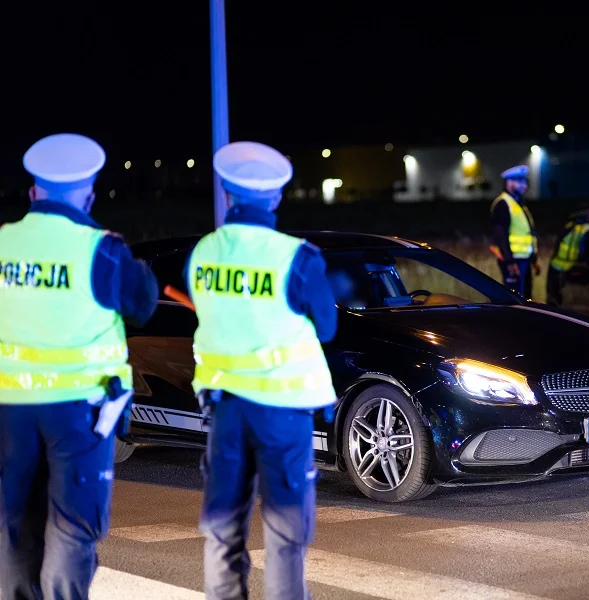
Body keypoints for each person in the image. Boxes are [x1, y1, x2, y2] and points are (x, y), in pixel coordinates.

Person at [0, 133, 159, 599]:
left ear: (33, 193)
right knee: (72, 526)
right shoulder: (101, 251)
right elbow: (143, 302)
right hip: (80, 414)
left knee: (14, 526)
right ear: (88, 195)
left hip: (11, 409)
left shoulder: (4, 244)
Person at [184, 141, 338, 600]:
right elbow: (327, 326)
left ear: (228, 195)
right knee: (286, 532)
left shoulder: (203, 252)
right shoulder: (297, 256)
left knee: (223, 526)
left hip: (226, 409)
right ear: (274, 197)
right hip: (282, 412)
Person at [546, 193, 589, 304]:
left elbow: (558, 243)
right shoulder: (588, 230)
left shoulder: (571, 224)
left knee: (554, 303)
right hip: (571, 272)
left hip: (556, 267)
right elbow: (586, 254)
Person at [490, 165, 539, 298]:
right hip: (514, 261)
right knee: (514, 300)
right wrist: (509, 262)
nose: (524, 186)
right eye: (520, 182)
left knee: (526, 299)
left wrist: (533, 258)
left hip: (524, 260)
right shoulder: (503, 203)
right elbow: (501, 235)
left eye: (525, 182)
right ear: (509, 182)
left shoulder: (517, 203)